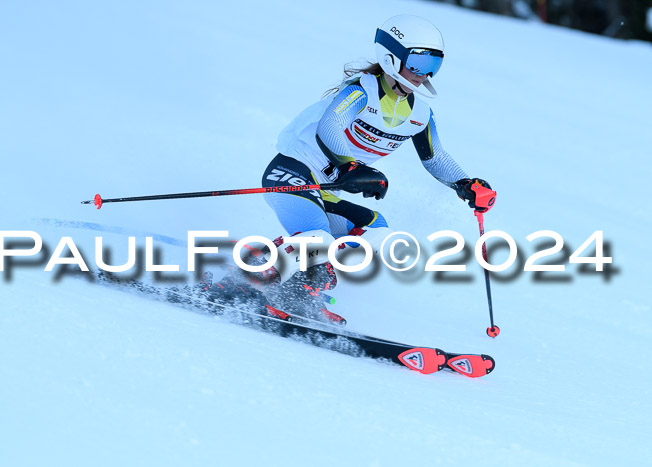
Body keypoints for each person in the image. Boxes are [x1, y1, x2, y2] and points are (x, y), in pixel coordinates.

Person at [207, 15, 493, 319]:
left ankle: (299, 290)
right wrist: (351, 167)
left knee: (375, 232)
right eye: (418, 62)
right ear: (391, 57)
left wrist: (466, 184)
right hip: (292, 172)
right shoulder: (361, 91)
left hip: (324, 188)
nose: (424, 74)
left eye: (433, 65)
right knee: (317, 239)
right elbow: (330, 127)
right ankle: (238, 284)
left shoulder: (420, 114)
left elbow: (435, 157)